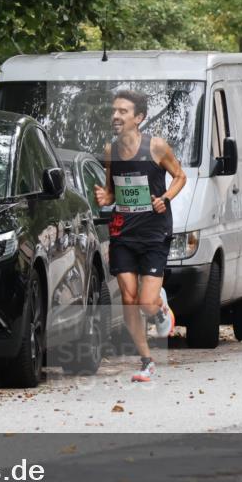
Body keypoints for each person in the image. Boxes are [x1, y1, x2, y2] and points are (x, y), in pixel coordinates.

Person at [94, 90, 187, 382]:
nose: (116, 116)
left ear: (139, 118)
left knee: (145, 303)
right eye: (114, 110)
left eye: (123, 111)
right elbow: (112, 191)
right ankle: (146, 360)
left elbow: (181, 176)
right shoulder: (111, 151)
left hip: (153, 231)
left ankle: (159, 309)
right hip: (122, 230)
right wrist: (104, 196)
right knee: (128, 297)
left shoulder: (156, 147)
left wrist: (166, 198)